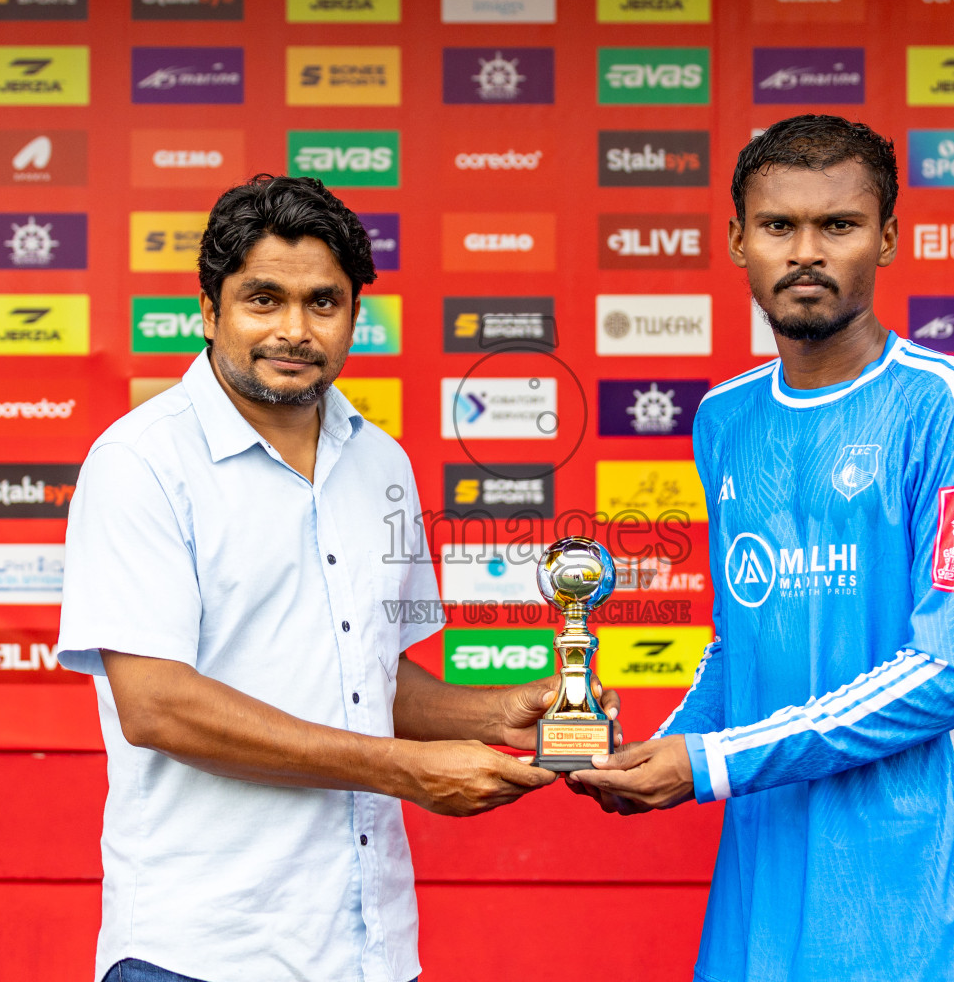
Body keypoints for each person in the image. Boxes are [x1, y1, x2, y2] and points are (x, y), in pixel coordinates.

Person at [56, 175, 615, 982]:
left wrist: (494, 716)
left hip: (368, 946)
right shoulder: (139, 463)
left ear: (354, 316)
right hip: (200, 951)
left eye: (323, 302)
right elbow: (157, 706)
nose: (294, 329)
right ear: (210, 311)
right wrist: (405, 771)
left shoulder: (381, 461)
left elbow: (365, 677)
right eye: (263, 300)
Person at [570, 115, 954, 982]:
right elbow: (739, 639)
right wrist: (652, 752)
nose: (806, 252)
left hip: (922, 899)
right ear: (739, 239)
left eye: (840, 226)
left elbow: (950, 672)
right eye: (780, 227)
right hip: (763, 889)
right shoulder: (725, 417)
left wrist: (709, 764)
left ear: (888, 238)